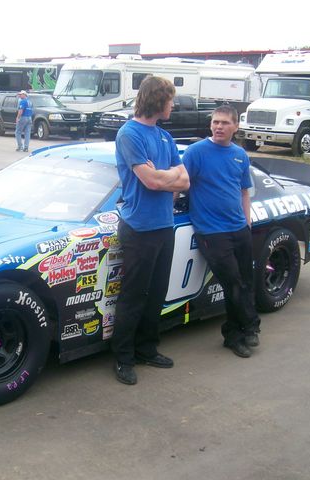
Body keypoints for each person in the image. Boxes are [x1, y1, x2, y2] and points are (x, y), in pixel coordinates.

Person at [111, 76, 190, 385]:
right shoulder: (129, 134)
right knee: (133, 296)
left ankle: (146, 349)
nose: (173, 105)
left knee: (156, 293)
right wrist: (165, 177)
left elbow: (184, 181)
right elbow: (152, 182)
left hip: (163, 226)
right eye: (170, 99)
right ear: (158, 100)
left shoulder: (165, 138)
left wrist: (164, 176)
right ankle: (123, 357)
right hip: (139, 228)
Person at [182, 104, 261, 359]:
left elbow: (243, 191)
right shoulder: (196, 152)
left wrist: (246, 223)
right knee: (233, 282)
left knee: (245, 282)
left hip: (239, 228)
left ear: (236, 127)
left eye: (225, 123)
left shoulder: (240, 155)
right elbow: (179, 185)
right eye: (215, 122)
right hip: (211, 231)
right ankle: (248, 328)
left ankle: (234, 331)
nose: (218, 127)